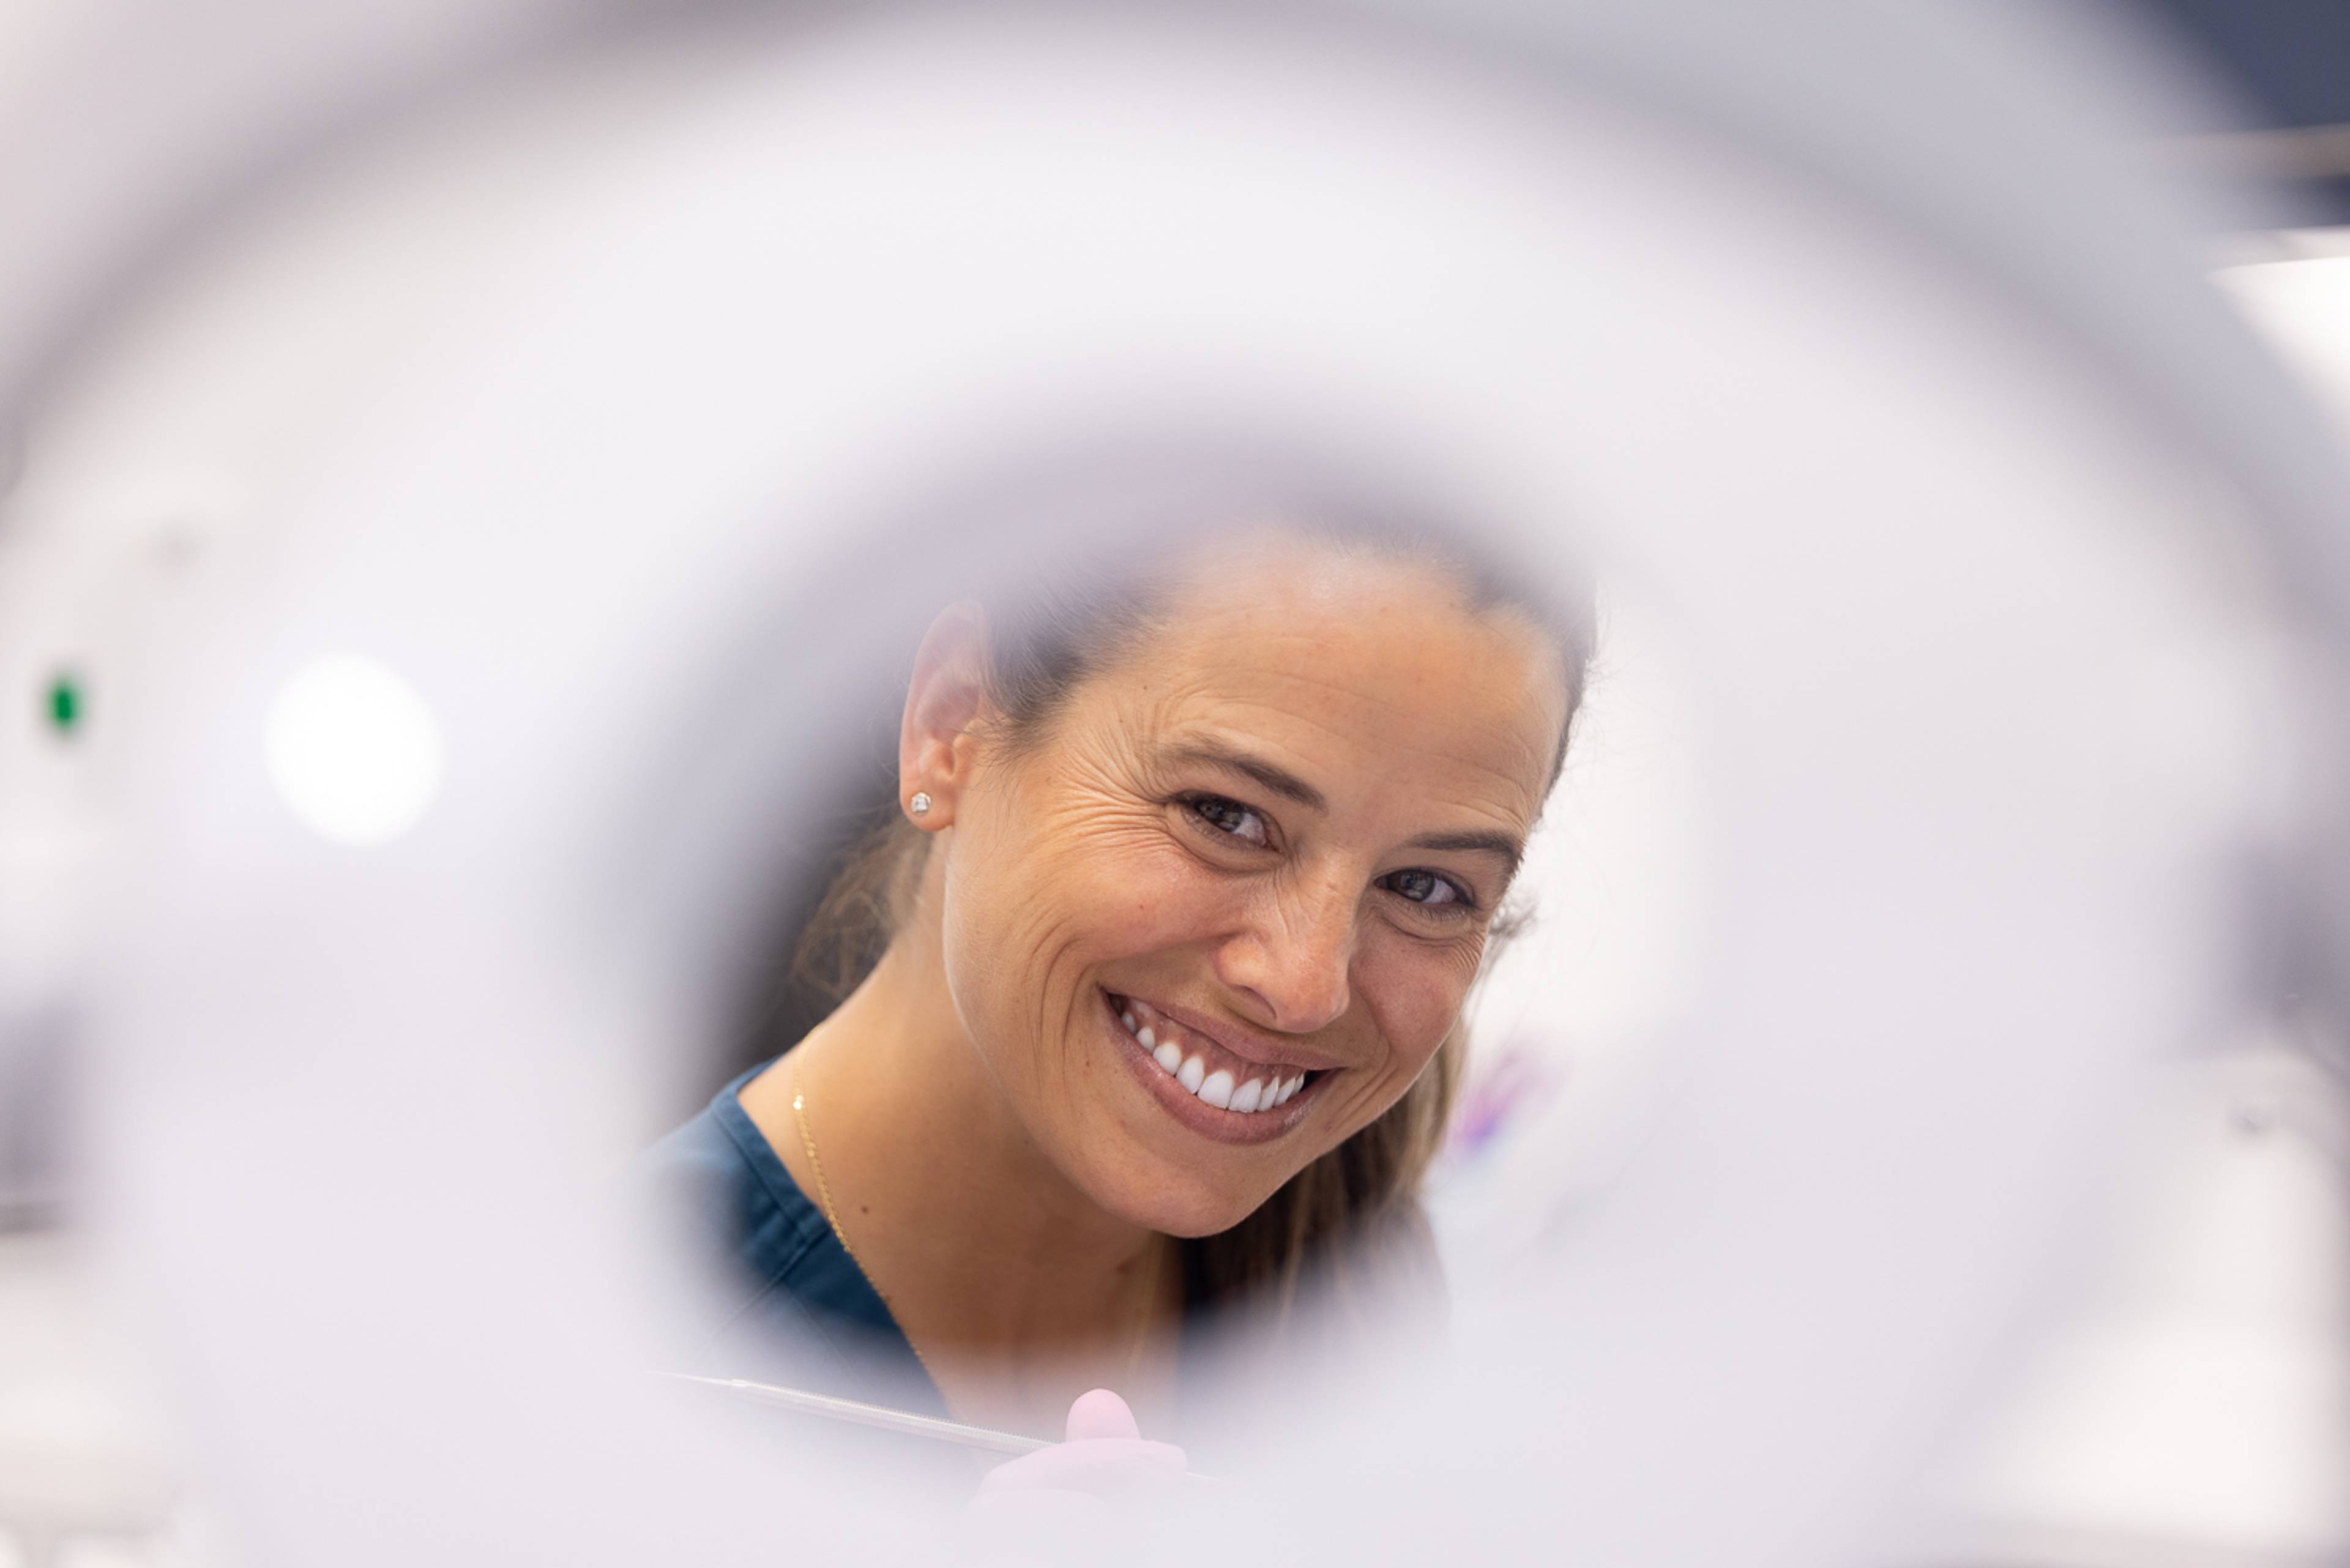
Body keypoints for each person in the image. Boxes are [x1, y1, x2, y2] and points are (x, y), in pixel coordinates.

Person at [643, 506, 1589, 1491]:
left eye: (1427, 887)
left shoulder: (1355, 1284)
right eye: (1226, 815)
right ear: (950, 723)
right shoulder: (624, 1352)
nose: (1305, 986)